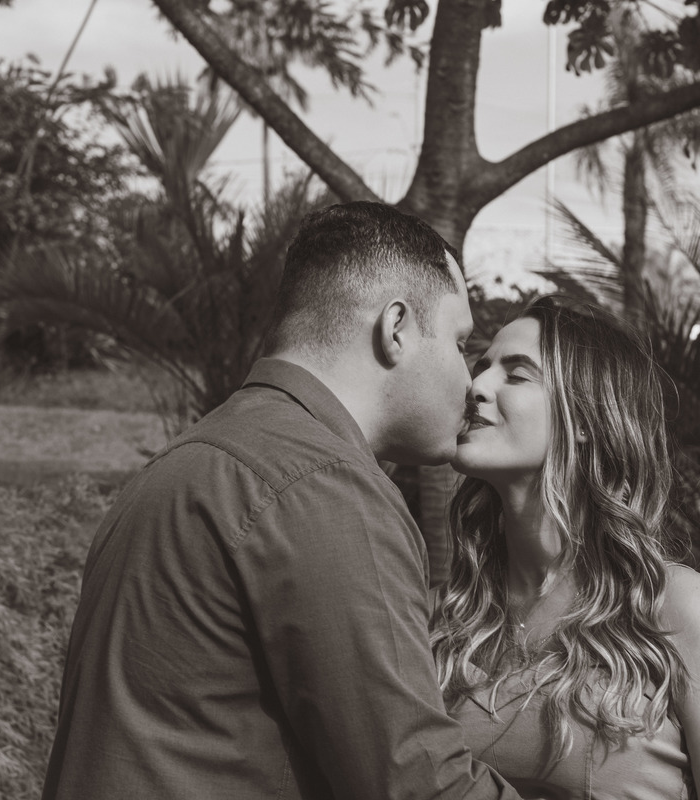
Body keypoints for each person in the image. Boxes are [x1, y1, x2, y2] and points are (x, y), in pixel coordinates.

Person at [41, 201, 522, 800]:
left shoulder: (187, 461)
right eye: (459, 342)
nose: (470, 381)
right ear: (395, 328)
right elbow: (415, 780)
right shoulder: (323, 487)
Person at [432, 296, 700, 800]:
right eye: (481, 367)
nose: (477, 386)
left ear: (584, 419)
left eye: (517, 375)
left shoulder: (681, 612)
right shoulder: (447, 617)